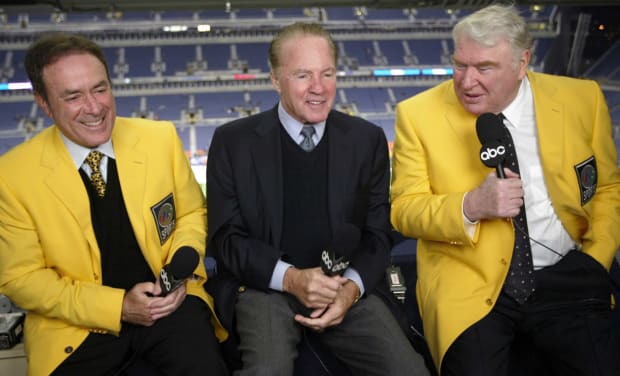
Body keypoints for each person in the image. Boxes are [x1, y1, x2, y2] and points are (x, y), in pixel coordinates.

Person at [390, 4, 620, 376]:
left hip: (569, 271)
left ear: (521, 63)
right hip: (470, 283)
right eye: (460, 65)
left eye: (484, 68)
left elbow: (608, 186)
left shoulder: (582, 99)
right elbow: (404, 209)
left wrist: (596, 257)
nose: (466, 81)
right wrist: (470, 205)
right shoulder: (417, 115)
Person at [206, 22, 430, 376]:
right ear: (275, 79)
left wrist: (351, 289)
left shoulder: (366, 139)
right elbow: (225, 239)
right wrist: (291, 279)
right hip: (264, 286)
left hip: (342, 284)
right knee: (268, 371)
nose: (319, 88)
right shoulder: (233, 142)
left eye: (327, 73)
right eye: (303, 75)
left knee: (409, 370)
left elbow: (377, 233)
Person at [0, 34, 228, 376]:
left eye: (100, 88)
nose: (94, 107)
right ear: (44, 103)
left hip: (170, 307)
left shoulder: (160, 138)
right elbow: (21, 278)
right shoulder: (12, 175)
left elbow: (192, 214)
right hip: (76, 327)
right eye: (73, 96)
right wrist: (118, 306)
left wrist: (179, 273)